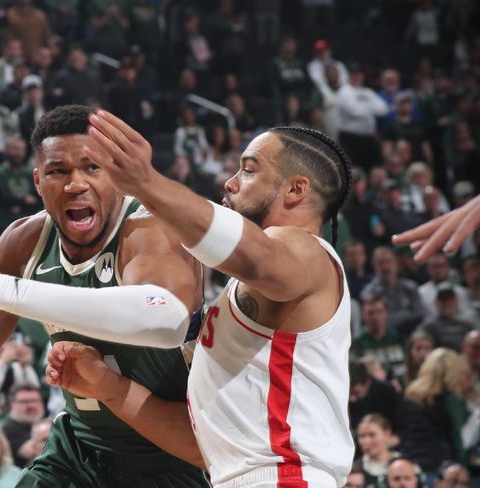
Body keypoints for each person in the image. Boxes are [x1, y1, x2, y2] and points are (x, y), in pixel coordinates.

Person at [0, 105, 207, 486]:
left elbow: (162, 318)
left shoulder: (151, 229)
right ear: (37, 181)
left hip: (170, 459)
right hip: (78, 452)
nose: (75, 183)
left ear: (116, 174)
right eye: (58, 170)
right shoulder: (24, 242)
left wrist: (2, 289)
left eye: (91, 167)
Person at [42, 110, 357, 486]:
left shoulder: (305, 252)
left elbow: (256, 258)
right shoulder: (244, 300)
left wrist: (147, 184)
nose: (230, 182)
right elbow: (205, 445)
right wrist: (107, 386)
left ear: (295, 190)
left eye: (249, 170)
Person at [392, 186, 480, 263]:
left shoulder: (446, 215)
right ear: (423, 201)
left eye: (434, 198)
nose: (432, 201)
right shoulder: (416, 219)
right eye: (429, 198)